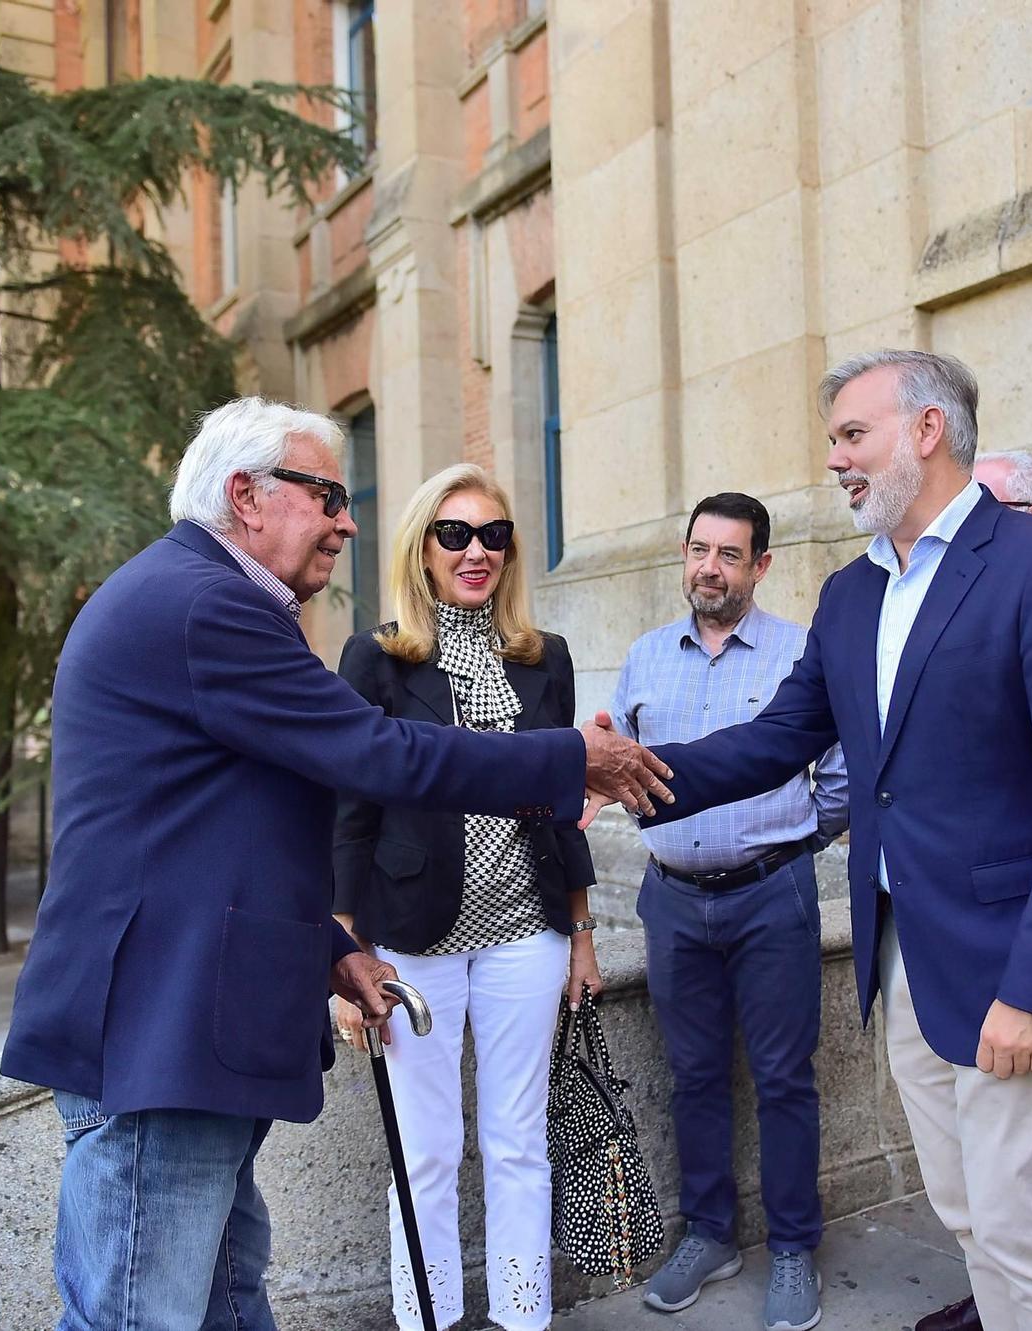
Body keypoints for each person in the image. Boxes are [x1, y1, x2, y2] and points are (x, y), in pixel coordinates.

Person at [0, 398, 671, 1331]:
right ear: (248, 496)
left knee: (230, 1305)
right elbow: (383, 756)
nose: (348, 522)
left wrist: (328, 946)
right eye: (328, 496)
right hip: (162, 1034)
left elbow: (217, 830)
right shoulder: (208, 605)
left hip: (185, 1030)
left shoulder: (207, 598)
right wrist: (570, 759)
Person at [619, 350, 1032, 1331]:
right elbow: (782, 737)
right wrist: (638, 775)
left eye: (851, 435)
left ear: (925, 431)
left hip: (1011, 963)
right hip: (905, 959)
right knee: (970, 1217)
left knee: (1024, 1225)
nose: (835, 459)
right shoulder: (853, 593)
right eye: (832, 441)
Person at [331, 464, 600, 1331]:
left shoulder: (543, 656)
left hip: (528, 930)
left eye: (494, 534)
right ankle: (431, 1321)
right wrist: (344, 946)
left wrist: (582, 930)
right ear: (422, 547)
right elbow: (352, 808)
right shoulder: (378, 656)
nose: (476, 550)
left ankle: (525, 1319)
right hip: (414, 937)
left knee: (519, 1140)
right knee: (427, 1150)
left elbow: (564, 802)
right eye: (455, 534)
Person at [610, 492, 849, 1331]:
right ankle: (710, 1232)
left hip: (770, 894)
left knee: (786, 1077)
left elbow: (843, 769)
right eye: (699, 550)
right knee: (694, 1075)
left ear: (761, 565)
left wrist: (790, 838)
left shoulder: (799, 654)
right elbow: (623, 767)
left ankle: (792, 1247)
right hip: (672, 900)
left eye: (729, 554)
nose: (709, 568)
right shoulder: (643, 657)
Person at [894, 449, 1032, 1331]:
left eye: (1007, 508)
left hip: (1022, 951)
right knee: (976, 1207)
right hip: (919, 942)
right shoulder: (883, 594)